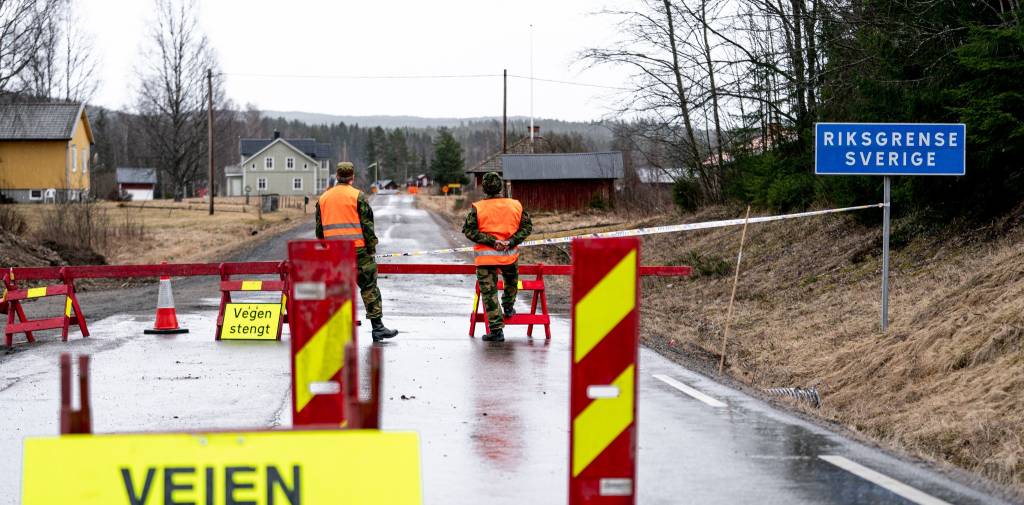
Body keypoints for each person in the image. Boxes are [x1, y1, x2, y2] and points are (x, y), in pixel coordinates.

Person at [315, 162, 398, 342]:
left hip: (334, 252)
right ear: (352, 177)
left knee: (335, 288)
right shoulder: (357, 196)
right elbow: (367, 226)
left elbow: (319, 231)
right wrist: (371, 249)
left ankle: (334, 328)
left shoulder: (323, 198)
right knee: (369, 287)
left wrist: (326, 248)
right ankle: (378, 328)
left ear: (337, 176)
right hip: (357, 251)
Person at [462, 172, 533, 342]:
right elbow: (527, 227)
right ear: (500, 187)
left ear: (484, 188)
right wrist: (511, 241)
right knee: (511, 282)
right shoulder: (516, 205)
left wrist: (492, 242)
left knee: (489, 293)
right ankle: (508, 307)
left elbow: (469, 231)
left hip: (485, 259)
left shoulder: (478, 207)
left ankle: (496, 331)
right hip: (510, 256)